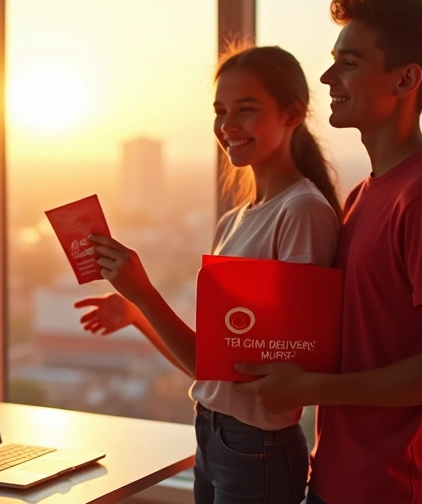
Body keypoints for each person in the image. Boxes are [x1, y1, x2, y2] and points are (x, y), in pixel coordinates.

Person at [232, 0, 422, 504]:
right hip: (338, 479)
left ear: (405, 78)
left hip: (399, 489)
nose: (328, 78)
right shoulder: (365, 194)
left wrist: (310, 388)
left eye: (347, 63)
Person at [77, 45, 341, 504]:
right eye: (220, 111)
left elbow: (269, 373)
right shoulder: (235, 220)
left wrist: (145, 293)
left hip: (256, 447)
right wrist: (138, 311)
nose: (227, 126)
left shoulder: (302, 213)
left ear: (293, 114)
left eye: (246, 109)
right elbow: (213, 367)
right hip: (214, 435)